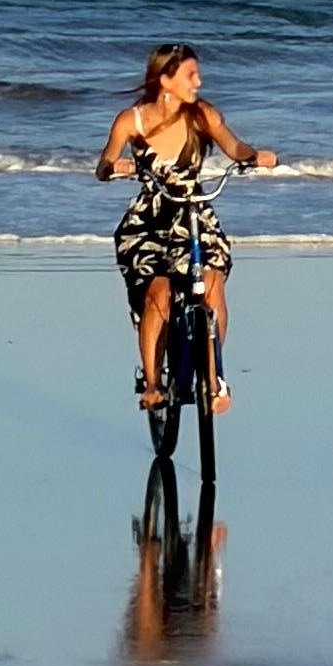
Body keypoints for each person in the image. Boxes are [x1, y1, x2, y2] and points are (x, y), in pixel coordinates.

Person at [94, 43, 270, 413]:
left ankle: (213, 376)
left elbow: (233, 145)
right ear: (165, 80)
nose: (199, 81)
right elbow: (104, 164)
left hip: (193, 213)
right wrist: (115, 167)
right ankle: (154, 382)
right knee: (157, 290)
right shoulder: (132, 120)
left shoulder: (202, 115)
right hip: (149, 221)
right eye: (190, 75)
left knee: (211, 281)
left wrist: (254, 157)